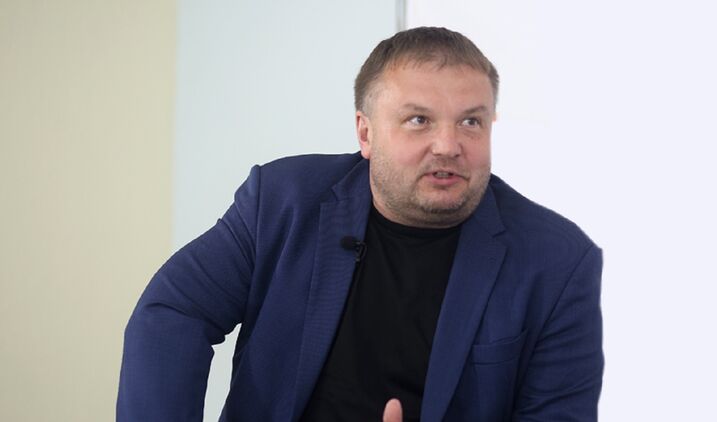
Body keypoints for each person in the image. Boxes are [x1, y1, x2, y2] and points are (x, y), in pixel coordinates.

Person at [117, 27, 603, 421]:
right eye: (419, 120)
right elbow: (174, 311)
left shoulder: (557, 262)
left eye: (470, 122)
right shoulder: (282, 202)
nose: (448, 145)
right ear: (365, 134)